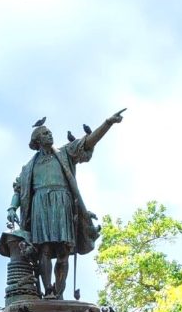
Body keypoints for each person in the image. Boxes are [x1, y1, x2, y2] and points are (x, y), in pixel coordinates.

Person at [6, 111, 125, 299]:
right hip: (40, 206)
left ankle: (59, 292)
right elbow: (19, 190)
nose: (50, 135)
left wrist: (107, 123)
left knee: (64, 251)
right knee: (44, 249)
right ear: (37, 141)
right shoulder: (29, 167)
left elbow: (87, 142)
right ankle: (48, 291)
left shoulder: (65, 153)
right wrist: (12, 207)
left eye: (50, 132)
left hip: (62, 204)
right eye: (45, 133)